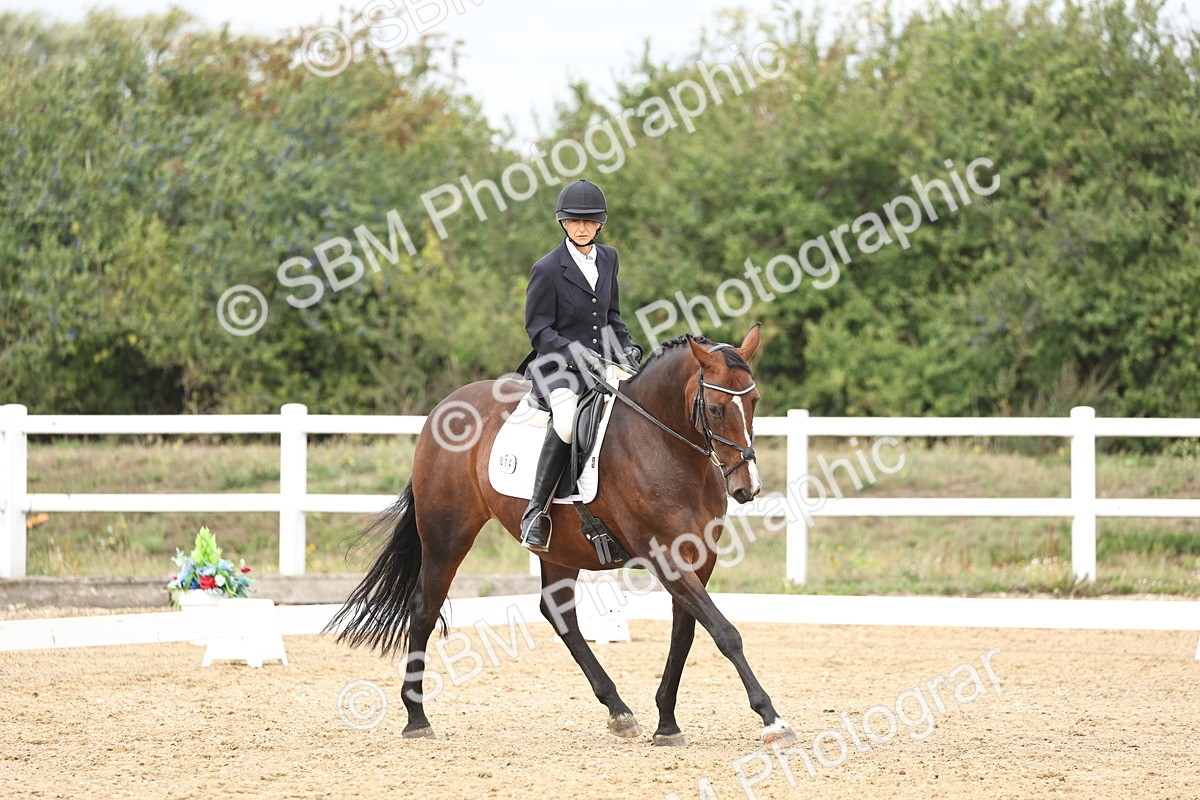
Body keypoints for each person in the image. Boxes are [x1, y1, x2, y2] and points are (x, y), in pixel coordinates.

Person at [518, 179, 643, 552]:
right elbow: (538, 330)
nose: (582, 227)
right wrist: (577, 354)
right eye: (575, 221)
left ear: (600, 223)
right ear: (563, 224)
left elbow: (612, 318)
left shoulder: (609, 259)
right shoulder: (547, 269)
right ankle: (535, 514)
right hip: (558, 367)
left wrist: (628, 348)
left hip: (602, 365)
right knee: (568, 422)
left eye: (589, 221)